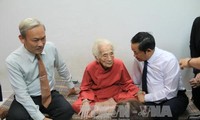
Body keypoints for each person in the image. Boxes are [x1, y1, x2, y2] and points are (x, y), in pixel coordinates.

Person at [5, 18, 76, 120]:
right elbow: (21, 93)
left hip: (49, 95)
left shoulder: (51, 47)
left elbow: (61, 67)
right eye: (35, 40)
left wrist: (70, 85)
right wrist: (40, 118)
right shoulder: (13, 61)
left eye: (43, 38)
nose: (41, 44)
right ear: (22, 38)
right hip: (28, 97)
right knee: (15, 118)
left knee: (67, 111)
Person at [72, 39, 139, 119]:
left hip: (115, 96)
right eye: (105, 55)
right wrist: (86, 101)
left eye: (111, 54)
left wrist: (136, 92)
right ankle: (112, 108)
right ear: (97, 58)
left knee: (136, 99)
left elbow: (127, 83)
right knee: (76, 105)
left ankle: (99, 109)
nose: (110, 59)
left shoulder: (119, 63)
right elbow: (85, 88)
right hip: (98, 97)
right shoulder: (90, 67)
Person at [131, 32, 189, 120]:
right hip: (151, 98)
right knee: (139, 112)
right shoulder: (138, 59)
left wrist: (145, 98)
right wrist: (139, 92)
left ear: (148, 51)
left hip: (173, 97)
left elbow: (170, 92)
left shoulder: (169, 60)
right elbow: (136, 82)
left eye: (136, 52)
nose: (134, 55)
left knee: (165, 112)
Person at [181, 16, 200, 110]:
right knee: (196, 93)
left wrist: (189, 62)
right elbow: (193, 47)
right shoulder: (198, 22)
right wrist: (197, 72)